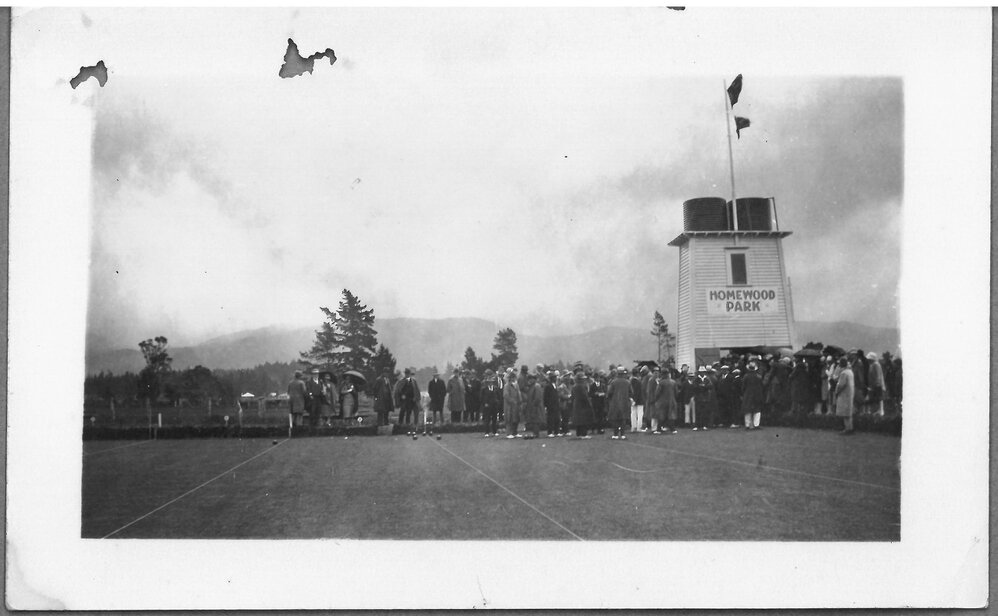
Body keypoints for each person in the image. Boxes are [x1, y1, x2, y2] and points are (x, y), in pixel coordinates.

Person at [606, 367, 631, 439]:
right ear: (623, 374)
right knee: (623, 419)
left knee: (615, 419)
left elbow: (609, 393)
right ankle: (623, 434)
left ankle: (615, 434)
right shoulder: (627, 382)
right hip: (625, 403)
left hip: (615, 403)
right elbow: (631, 392)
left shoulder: (613, 382)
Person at [741, 362, 765, 430]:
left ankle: (747, 425)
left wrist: (743, 393)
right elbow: (762, 386)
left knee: (747, 410)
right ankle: (756, 424)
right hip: (757, 394)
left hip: (747, 395)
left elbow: (743, 387)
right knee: (757, 410)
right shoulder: (759, 376)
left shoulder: (746, 376)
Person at [571, 372, 595, 438]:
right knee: (584, 420)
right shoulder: (582, 386)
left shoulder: (574, 386)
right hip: (583, 404)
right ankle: (584, 434)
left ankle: (578, 434)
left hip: (576, 404)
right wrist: (589, 404)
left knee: (578, 420)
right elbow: (585, 396)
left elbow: (572, 396)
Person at [835, 356, 855, 434]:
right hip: (850, 393)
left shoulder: (844, 373)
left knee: (845, 413)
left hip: (844, 394)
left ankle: (847, 429)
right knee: (848, 412)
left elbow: (841, 385)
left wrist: (837, 391)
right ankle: (850, 428)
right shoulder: (850, 372)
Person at [480, 369, 503, 437]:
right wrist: (485, 403)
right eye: (489, 381)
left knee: (494, 419)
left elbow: (499, 396)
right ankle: (486, 432)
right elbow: (481, 397)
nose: (490, 382)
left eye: (491, 381)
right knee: (487, 419)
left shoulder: (495, 388)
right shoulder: (484, 389)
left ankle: (494, 431)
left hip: (494, 406)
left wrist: (497, 402)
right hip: (487, 406)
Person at [523, 374, 545, 439]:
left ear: (534, 379)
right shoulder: (531, 386)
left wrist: (534, 405)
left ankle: (536, 433)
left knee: (536, 421)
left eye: (531, 379)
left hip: (536, 407)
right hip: (532, 406)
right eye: (529, 379)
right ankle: (535, 433)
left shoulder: (536, 386)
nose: (529, 380)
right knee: (533, 420)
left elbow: (537, 398)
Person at [503, 372, 523, 438]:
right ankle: (509, 433)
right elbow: (506, 395)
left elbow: (519, 393)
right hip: (509, 406)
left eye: (514, 377)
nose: (513, 378)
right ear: (509, 378)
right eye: (512, 377)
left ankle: (515, 432)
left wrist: (520, 400)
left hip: (516, 405)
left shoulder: (516, 385)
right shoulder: (507, 386)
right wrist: (512, 401)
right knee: (509, 419)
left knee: (516, 419)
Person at [866, 352, 885, 417]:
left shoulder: (876, 365)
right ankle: (876, 412)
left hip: (877, 385)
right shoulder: (872, 365)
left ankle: (880, 412)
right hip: (873, 385)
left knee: (879, 399)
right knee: (876, 399)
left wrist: (877, 384)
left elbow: (878, 375)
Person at [589, 370, 608, 435]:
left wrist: (603, 394)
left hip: (601, 402)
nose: (597, 379)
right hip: (595, 403)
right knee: (595, 416)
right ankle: (593, 429)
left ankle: (600, 429)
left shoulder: (602, 385)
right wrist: (595, 394)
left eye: (598, 378)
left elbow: (606, 392)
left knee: (601, 416)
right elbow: (590, 394)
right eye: (596, 378)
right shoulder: (592, 385)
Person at [543, 371, 561, 437]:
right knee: (550, 419)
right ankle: (550, 432)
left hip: (556, 404)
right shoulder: (548, 386)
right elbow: (546, 397)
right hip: (550, 405)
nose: (555, 378)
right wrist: (546, 405)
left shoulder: (555, 385)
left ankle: (557, 431)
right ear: (551, 378)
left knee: (557, 418)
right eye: (554, 377)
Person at [629, 367, 645, 433]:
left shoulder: (630, 381)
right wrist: (635, 400)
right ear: (637, 374)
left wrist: (632, 399)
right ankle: (639, 427)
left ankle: (633, 427)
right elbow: (637, 391)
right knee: (640, 414)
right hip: (639, 400)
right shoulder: (637, 381)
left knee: (633, 413)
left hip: (632, 399)